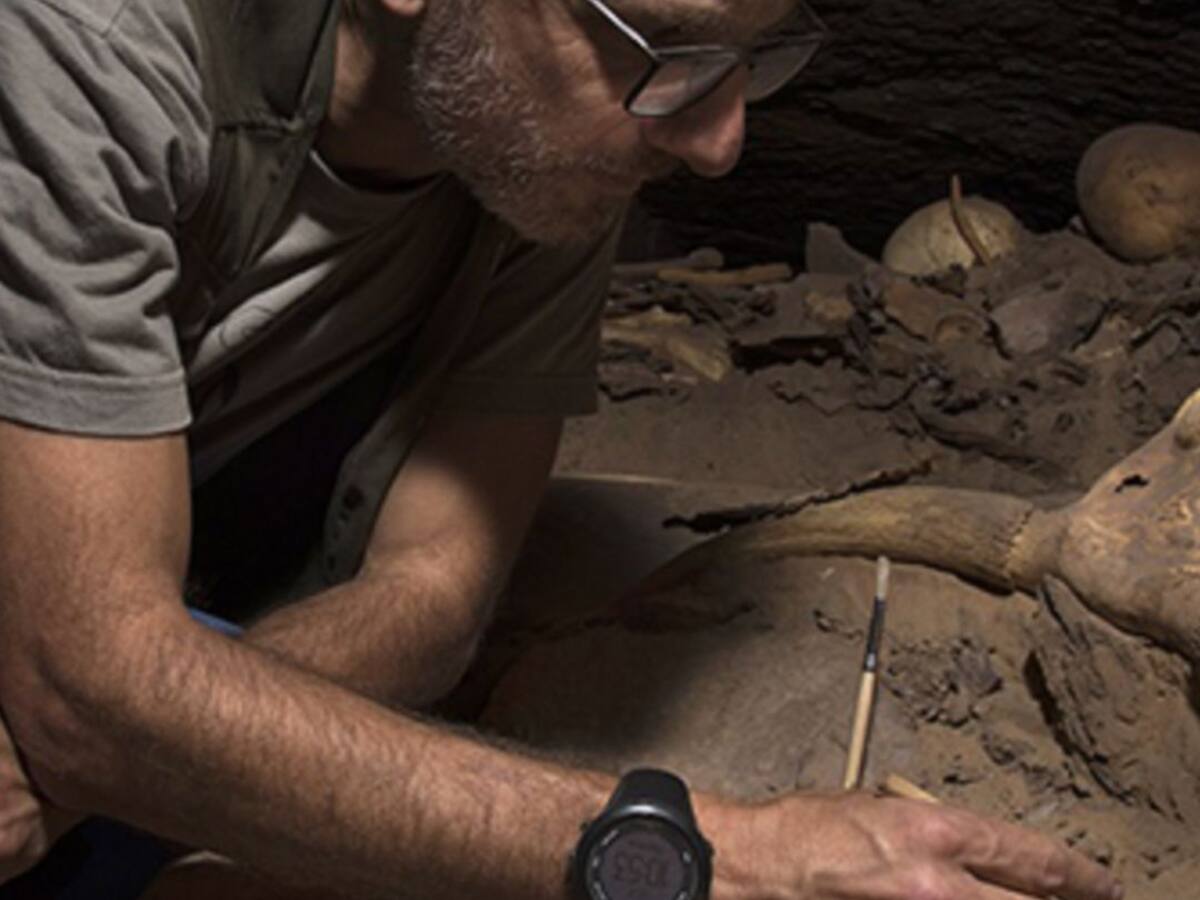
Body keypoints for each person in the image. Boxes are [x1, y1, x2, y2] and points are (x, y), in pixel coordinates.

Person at [0, 0, 1125, 898]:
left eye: (754, 58)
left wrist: (158, 730)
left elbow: (435, 587)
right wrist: (716, 854)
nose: (722, 143)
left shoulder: (538, 154)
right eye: (667, 49)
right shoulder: (92, 41)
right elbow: (90, 690)